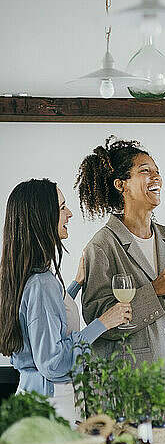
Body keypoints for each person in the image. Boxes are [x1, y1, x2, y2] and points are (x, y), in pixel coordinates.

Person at [75, 137, 165, 433]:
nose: (156, 177)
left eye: (157, 171)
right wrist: (153, 291)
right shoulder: (103, 245)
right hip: (132, 393)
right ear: (121, 185)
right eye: (145, 171)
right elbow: (99, 321)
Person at [0, 179, 131, 425]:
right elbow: (53, 362)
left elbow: (46, 319)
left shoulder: (24, 276)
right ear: (42, 217)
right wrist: (103, 322)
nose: (69, 213)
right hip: (52, 404)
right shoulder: (42, 283)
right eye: (62, 208)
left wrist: (76, 285)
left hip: (35, 398)